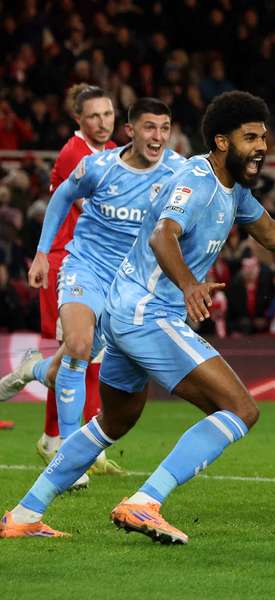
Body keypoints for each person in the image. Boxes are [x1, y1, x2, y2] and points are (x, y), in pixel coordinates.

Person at [0, 91, 275, 542]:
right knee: (241, 409)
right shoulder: (196, 181)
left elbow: (272, 234)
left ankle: (25, 513)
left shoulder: (234, 188)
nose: (262, 146)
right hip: (149, 314)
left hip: (126, 311)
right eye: (251, 137)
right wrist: (189, 285)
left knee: (115, 421)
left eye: (264, 137)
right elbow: (163, 237)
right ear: (222, 142)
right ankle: (144, 503)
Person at [0, 98, 182, 488]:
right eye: (150, 128)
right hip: (86, 268)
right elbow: (62, 196)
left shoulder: (178, 171)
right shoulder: (98, 166)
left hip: (130, 283)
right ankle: (68, 455)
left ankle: (32, 369)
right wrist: (41, 255)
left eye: (165, 128)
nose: (158, 137)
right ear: (131, 131)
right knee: (79, 346)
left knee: (76, 363)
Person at [28, 84, 116, 460]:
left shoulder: (113, 153)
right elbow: (99, 209)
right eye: (93, 115)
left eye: (108, 114)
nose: (102, 122)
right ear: (78, 118)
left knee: (91, 355)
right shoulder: (73, 154)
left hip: (101, 264)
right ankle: (74, 448)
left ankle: (59, 440)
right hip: (70, 263)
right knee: (78, 355)